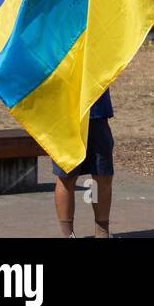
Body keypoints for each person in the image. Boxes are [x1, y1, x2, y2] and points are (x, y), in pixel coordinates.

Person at [53, 90, 114, 238]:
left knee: (101, 175)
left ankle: (101, 231)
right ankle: (67, 233)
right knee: (67, 176)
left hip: (97, 110)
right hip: (65, 113)